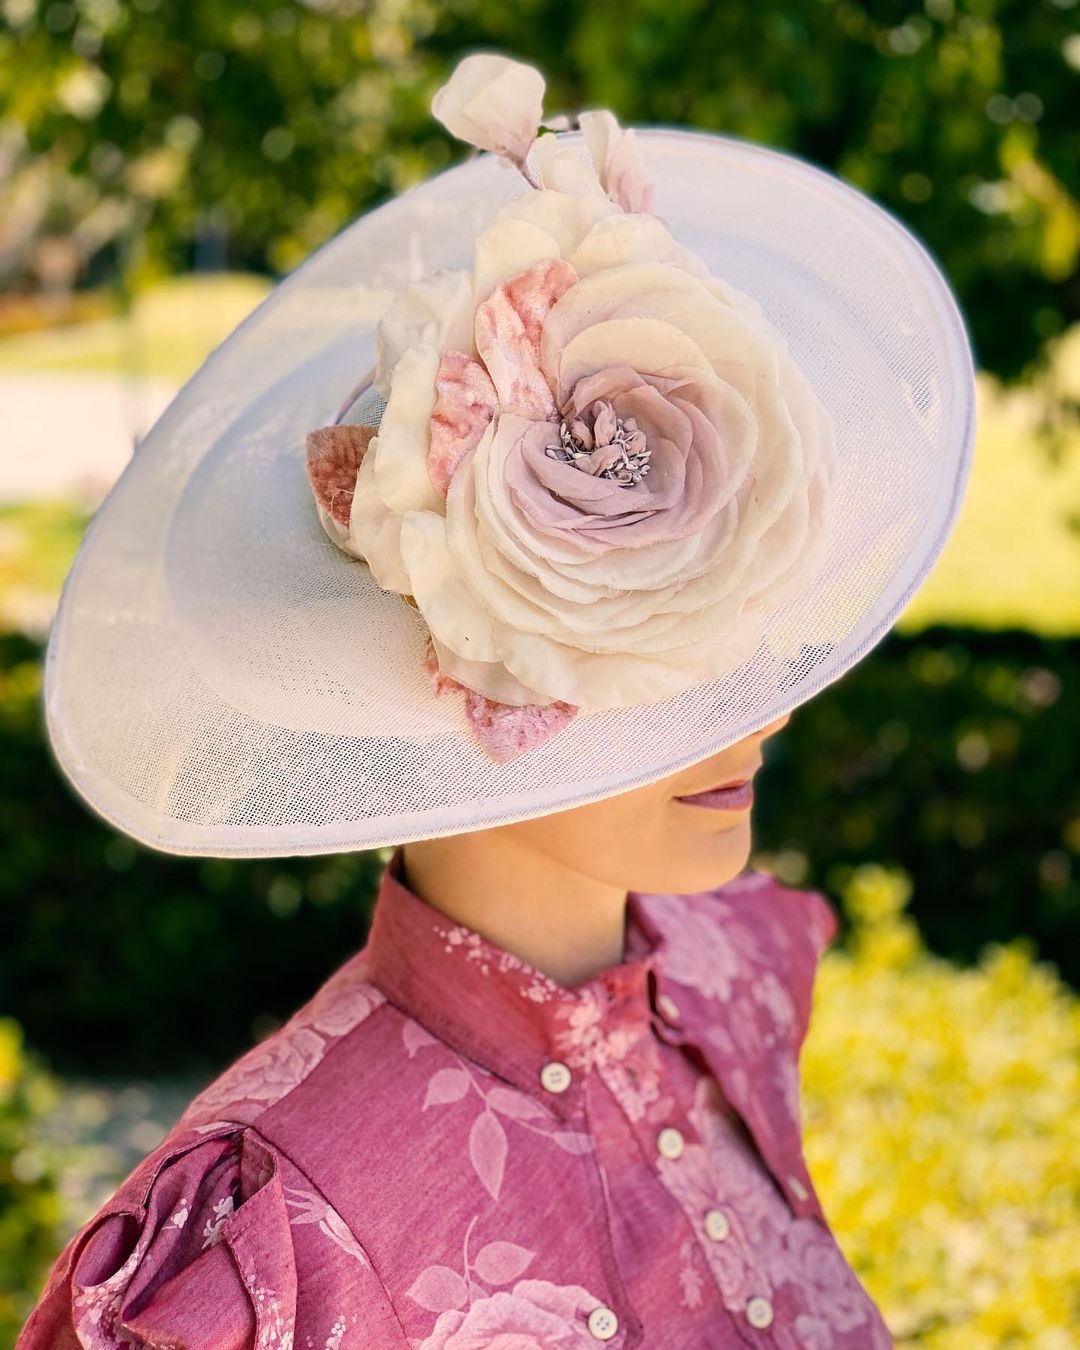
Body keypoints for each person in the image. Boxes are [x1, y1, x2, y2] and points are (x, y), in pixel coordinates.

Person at [19, 48, 975, 1349]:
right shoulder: (276, 1245)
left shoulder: (728, 977)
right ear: (467, 662)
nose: (764, 717)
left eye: (732, 633)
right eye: (656, 656)